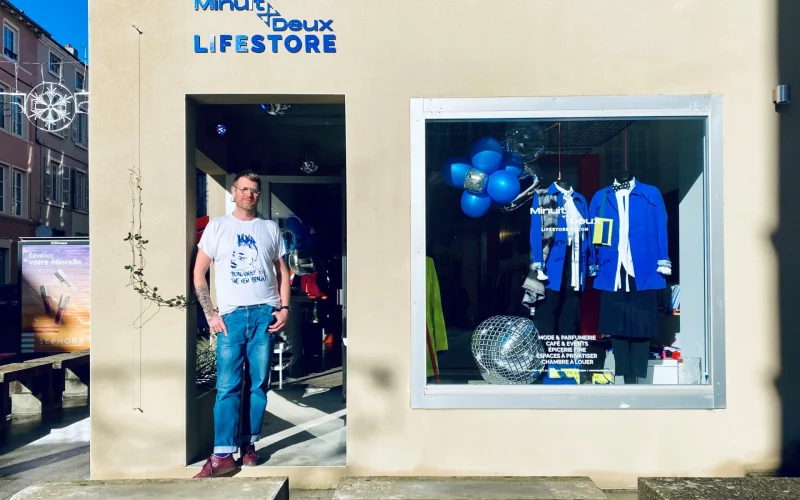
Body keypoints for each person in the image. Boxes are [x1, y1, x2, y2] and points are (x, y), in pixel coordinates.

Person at [192, 170, 291, 478]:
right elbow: (199, 274)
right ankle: (222, 454)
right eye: (245, 189)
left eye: (255, 191)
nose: (250, 194)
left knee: (259, 384)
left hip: (264, 313)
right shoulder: (217, 227)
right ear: (234, 192)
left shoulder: (269, 228)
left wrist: (284, 309)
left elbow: (283, 273)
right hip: (232, 317)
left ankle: (249, 444)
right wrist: (210, 313)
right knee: (227, 386)